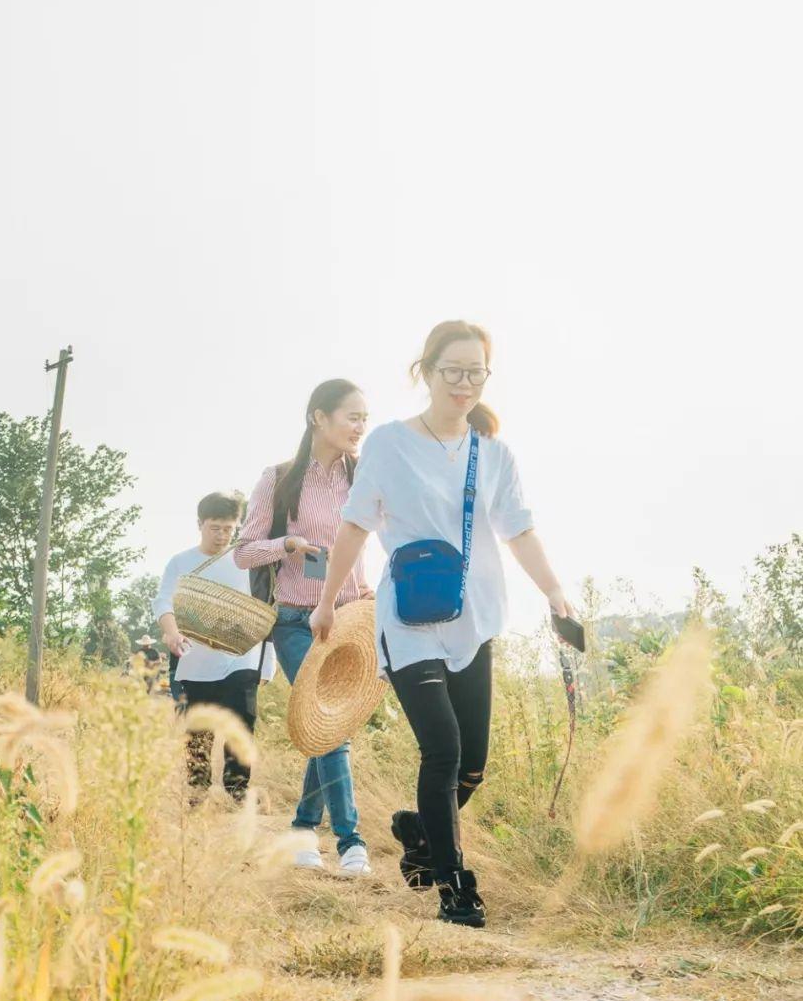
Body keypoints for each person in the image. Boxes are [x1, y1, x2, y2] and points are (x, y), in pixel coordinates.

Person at [309, 321, 575, 926]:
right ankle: (455, 888)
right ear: (424, 372)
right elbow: (353, 524)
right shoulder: (388, 444)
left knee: (474, 762)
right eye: (451, 371)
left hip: (473, 618)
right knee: (444, 749)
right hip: (407, 618)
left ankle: (418, 832)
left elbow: (520, 530)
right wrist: (327, 600)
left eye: (475, 372)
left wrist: (555, 591)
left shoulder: (496, 454)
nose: (463, 383)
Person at [235, 379, 374, 876]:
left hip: (352, 621)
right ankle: (350, 841)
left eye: (365, 418)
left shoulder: (366, 477)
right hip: (296, 620)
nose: (360, 427)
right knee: (331, 726)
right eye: (351, 416)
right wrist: (288, 544)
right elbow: (244, 550)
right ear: (319, 417)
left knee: (329, 727)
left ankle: (300, 830)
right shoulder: (279, 478)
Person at [155, 491, 276, 803]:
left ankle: (238, 791)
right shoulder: (181, 562)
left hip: (242, 657)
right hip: (195, 660)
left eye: (229, 529)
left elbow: (264, 612)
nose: (223, 535)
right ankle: (197, 790)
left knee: (242, 720)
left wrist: (267, 662)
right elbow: (163, 601)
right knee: (198, 729)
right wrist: (171, 633)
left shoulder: (247, 563)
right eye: (215, 528)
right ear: (199, 524)